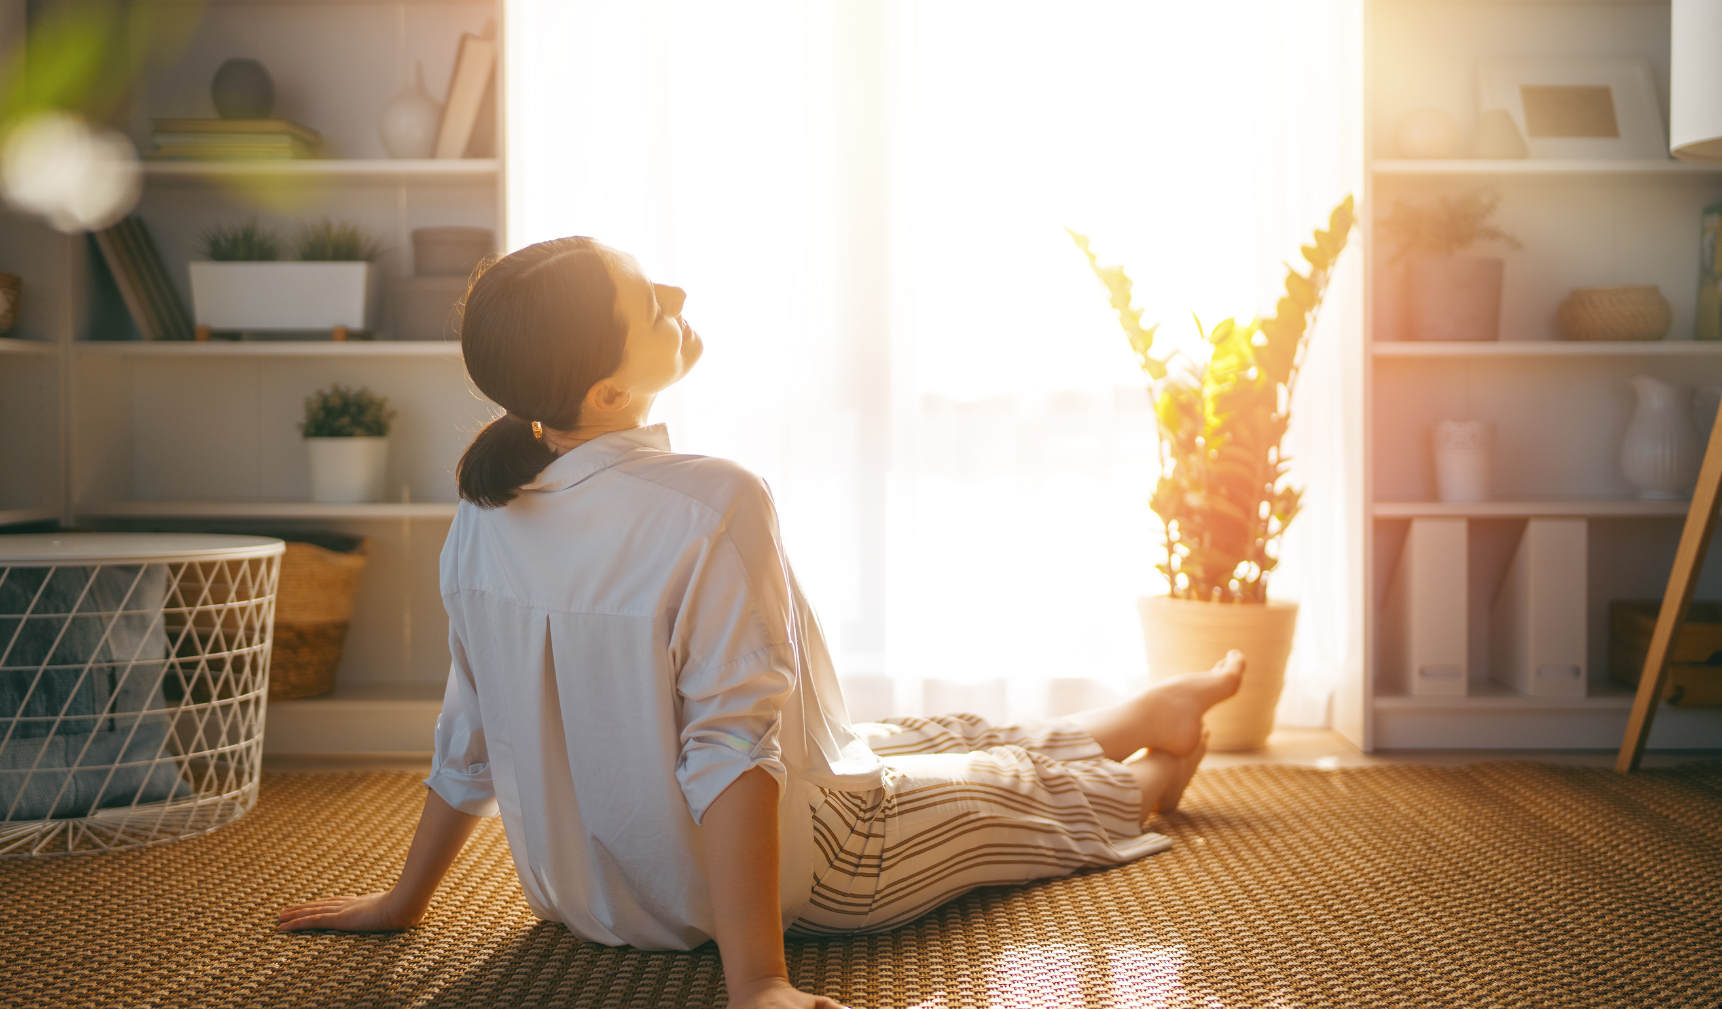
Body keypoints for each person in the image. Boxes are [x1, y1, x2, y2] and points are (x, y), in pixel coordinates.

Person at [277, 237, 1246, 1009]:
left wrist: (405, 899)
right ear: (607, 393)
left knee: (926, 737)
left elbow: (470, 726)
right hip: (816, 868)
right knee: (1013, 801)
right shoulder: (712, 500)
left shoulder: (484, 510)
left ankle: (1143, 712)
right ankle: (1163, 768)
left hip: (582, 898)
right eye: (650, 303)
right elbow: (731, 746)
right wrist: (759, 982)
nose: (677, 293)